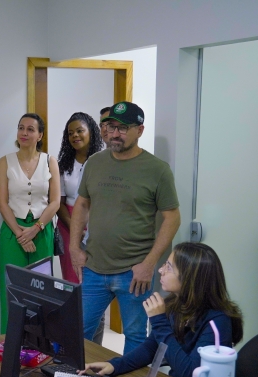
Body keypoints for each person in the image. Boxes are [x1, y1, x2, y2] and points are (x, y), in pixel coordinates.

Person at [70, 101, 181, 354]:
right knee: (78, 331)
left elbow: (172, 218)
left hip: (134, 272)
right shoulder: (95, 163)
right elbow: (82, 205)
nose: (114, 134)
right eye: (110, 126)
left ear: (139, 130)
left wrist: (149, 264)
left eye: (123, 128)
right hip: (93, 268)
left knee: (135, 336)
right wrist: (74, 248)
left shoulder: (157, 170)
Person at [82, 243, 243, 377]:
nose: (160, 270)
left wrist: (159, 321)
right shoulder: (177, 304)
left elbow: (189, 374)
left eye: (169, 267)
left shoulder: (218, 322)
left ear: (190, 278)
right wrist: (115, 365)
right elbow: (151, 348)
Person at [0, 113, 61, 332]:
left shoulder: (50, 161)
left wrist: (36, 228)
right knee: (12, 291)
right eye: (21, 128)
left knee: (42, 292)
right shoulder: (5, 162)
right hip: (12, 232)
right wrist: (20, 234)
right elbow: (2, 203)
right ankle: (11, 342)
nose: (24, 133)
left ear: (40, 135)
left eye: (30, 129)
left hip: (42, 230)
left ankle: (40, 343)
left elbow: (55, 202)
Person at [55, 112, 103, 284]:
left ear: (91, 132)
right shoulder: (63, 165)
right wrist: (76, 228)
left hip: (98, 224)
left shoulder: (103, 162)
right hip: (68, 224)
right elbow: (59, 203)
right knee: (72, 278)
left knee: (95, 278)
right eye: (70, 133)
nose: (75, 135)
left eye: (79, 131)